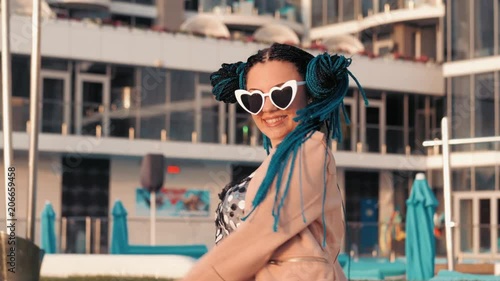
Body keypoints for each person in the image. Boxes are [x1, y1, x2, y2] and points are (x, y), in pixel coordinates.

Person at [181, 43, 368, 281]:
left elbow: (265, 229)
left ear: (310, 94)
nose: (267, 108)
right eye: (254, 99)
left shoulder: (309, 150)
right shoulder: (283, 159)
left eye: (282, 94)